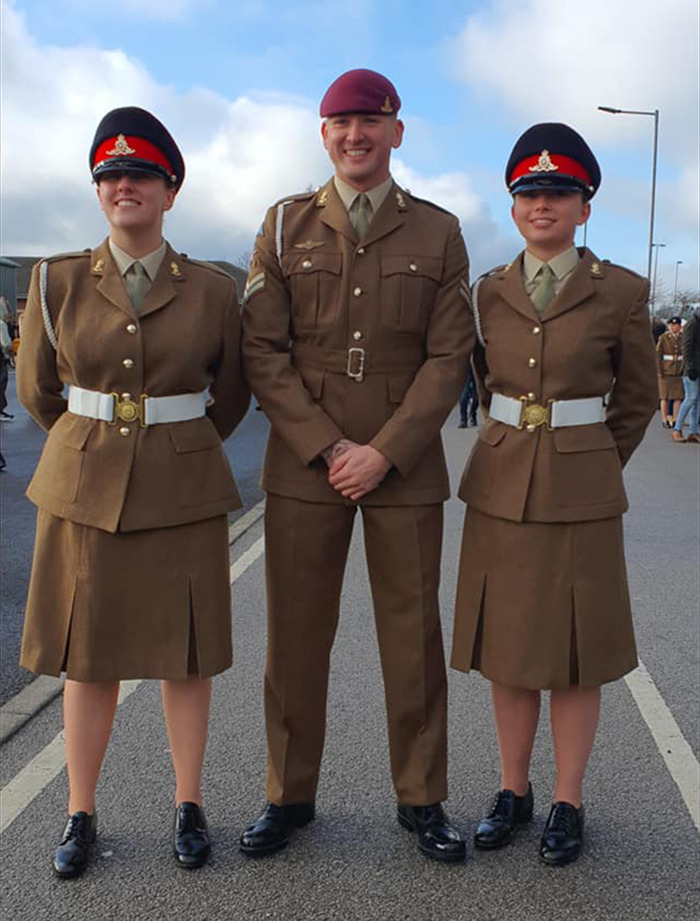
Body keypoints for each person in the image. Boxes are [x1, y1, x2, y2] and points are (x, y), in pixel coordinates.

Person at [240, 69, 473, 862]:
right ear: (323, 133)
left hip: (403, 467)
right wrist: (333, 447)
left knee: (412, 639)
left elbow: (450, 358)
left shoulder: (438, 232)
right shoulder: (282, 225)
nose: (355, 134)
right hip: (306, 464)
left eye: (370, 121)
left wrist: (384, 451)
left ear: (396, 132)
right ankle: (287, 794)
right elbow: (262, 353)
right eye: (340, 121)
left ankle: (422, 799)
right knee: (296, 639)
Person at [16, 107, 250, 878]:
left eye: (142, 175)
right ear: (98, 190)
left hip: (181, 490)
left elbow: (233, 397)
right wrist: (90, 444)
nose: (125, 186)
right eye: (111, 175)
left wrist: (176, 445)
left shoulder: (215, 292)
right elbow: (40, 393)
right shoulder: (56, 280)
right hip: (84, 488)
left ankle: (189, 802)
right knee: (90, 658)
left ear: (170, 191)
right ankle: (80, 809)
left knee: (185, 658)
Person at [451, 123, 657, 866]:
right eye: (530, 194)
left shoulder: (622, 292)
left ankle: (568, 797)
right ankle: (514, 789)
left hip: (581, 490)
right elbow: (481, 381)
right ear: (513, 208)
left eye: (559, 193)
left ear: (585, 206)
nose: (543, 205)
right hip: (501, 484)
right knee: (508, 650)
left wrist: (590, 460)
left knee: (576, 650)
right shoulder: (489, 292)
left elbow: (634, 402)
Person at [671, 307, 699, 443]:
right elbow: (686, 348)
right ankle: (677, 429)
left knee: (697, 402)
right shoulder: (691, 325)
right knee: (691, 399)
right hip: (691, 370)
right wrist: (690, 367)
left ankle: (693, 432)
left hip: (697, 369)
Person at [656, 317, 684, 428]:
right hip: (666, 370)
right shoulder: (663, 338)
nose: (673, 327)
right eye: (671, 325)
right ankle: (664, 419)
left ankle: (676, 418)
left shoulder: (682, 338)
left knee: (678, 397)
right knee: (664, 397)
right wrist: (659, 370)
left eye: (675, 325)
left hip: (678, 370)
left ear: (679, 326)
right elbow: (658, 354)